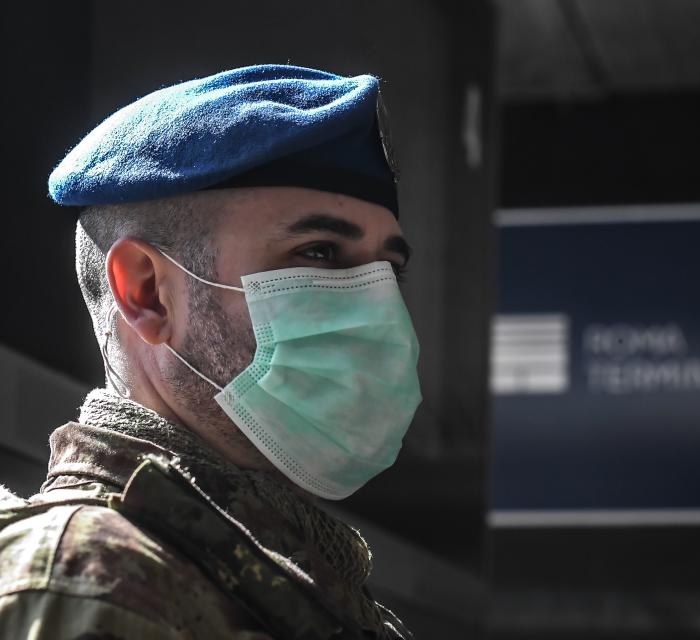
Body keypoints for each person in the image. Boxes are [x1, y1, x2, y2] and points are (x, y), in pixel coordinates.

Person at [0, 64, 422, 639]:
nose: (375, 310)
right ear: (146, 293)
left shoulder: (284, 577)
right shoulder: (90, 581)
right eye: (319, 253)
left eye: (388, 271)